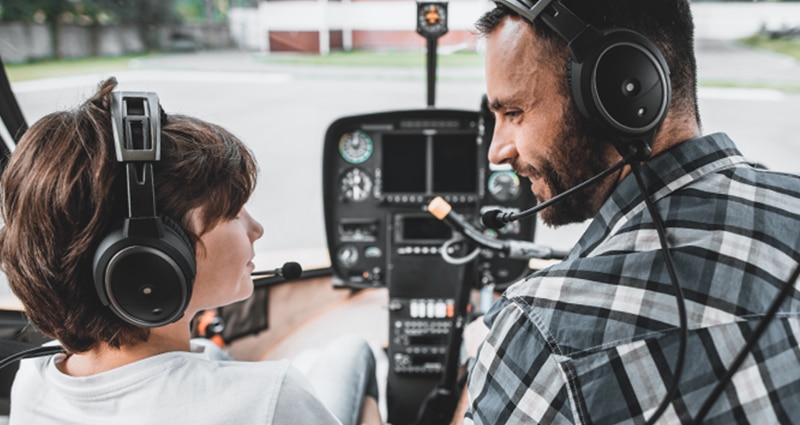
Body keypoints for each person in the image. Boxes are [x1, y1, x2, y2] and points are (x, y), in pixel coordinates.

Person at [460, 1, 800, 424]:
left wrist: (486, 358)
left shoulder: (540, 333)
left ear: (619, 89)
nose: (497, 151)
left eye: (513, 113)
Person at [0, 77, 382, 425]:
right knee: (353, 351)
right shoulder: (272, 397)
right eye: (233, 213)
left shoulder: (33, 381)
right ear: (148, 262)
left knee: (215, 355)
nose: (256, 229)